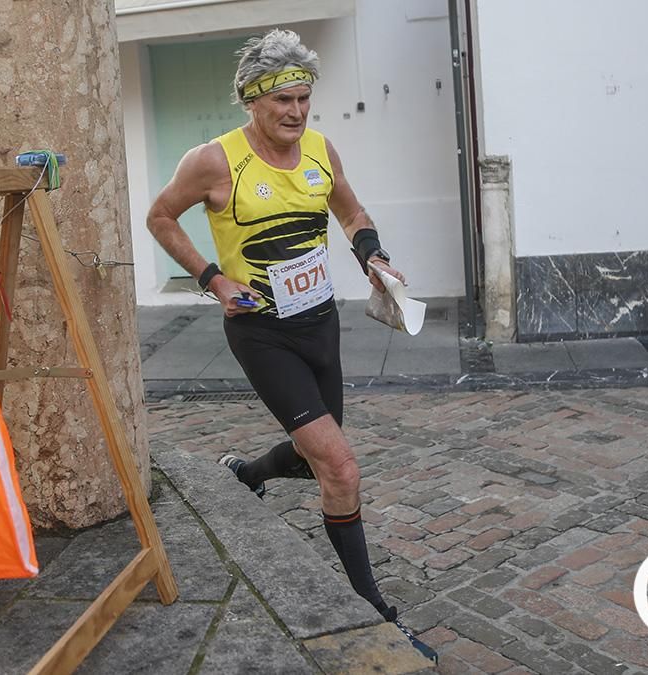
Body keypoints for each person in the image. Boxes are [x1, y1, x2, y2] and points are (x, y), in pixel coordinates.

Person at [145, 29, 437, 663]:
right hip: (262, 332)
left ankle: (248, 474)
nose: (297, 112)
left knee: (312, 460)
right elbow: (160, 216)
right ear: (252, 100)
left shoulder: (320, 150)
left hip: (319, 325)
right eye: (284, 102)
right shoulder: (214, 162)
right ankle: (371, 609)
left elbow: (352, 214)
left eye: (305, 99)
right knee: (340, 466)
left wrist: (373, 258)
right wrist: (211, 278)